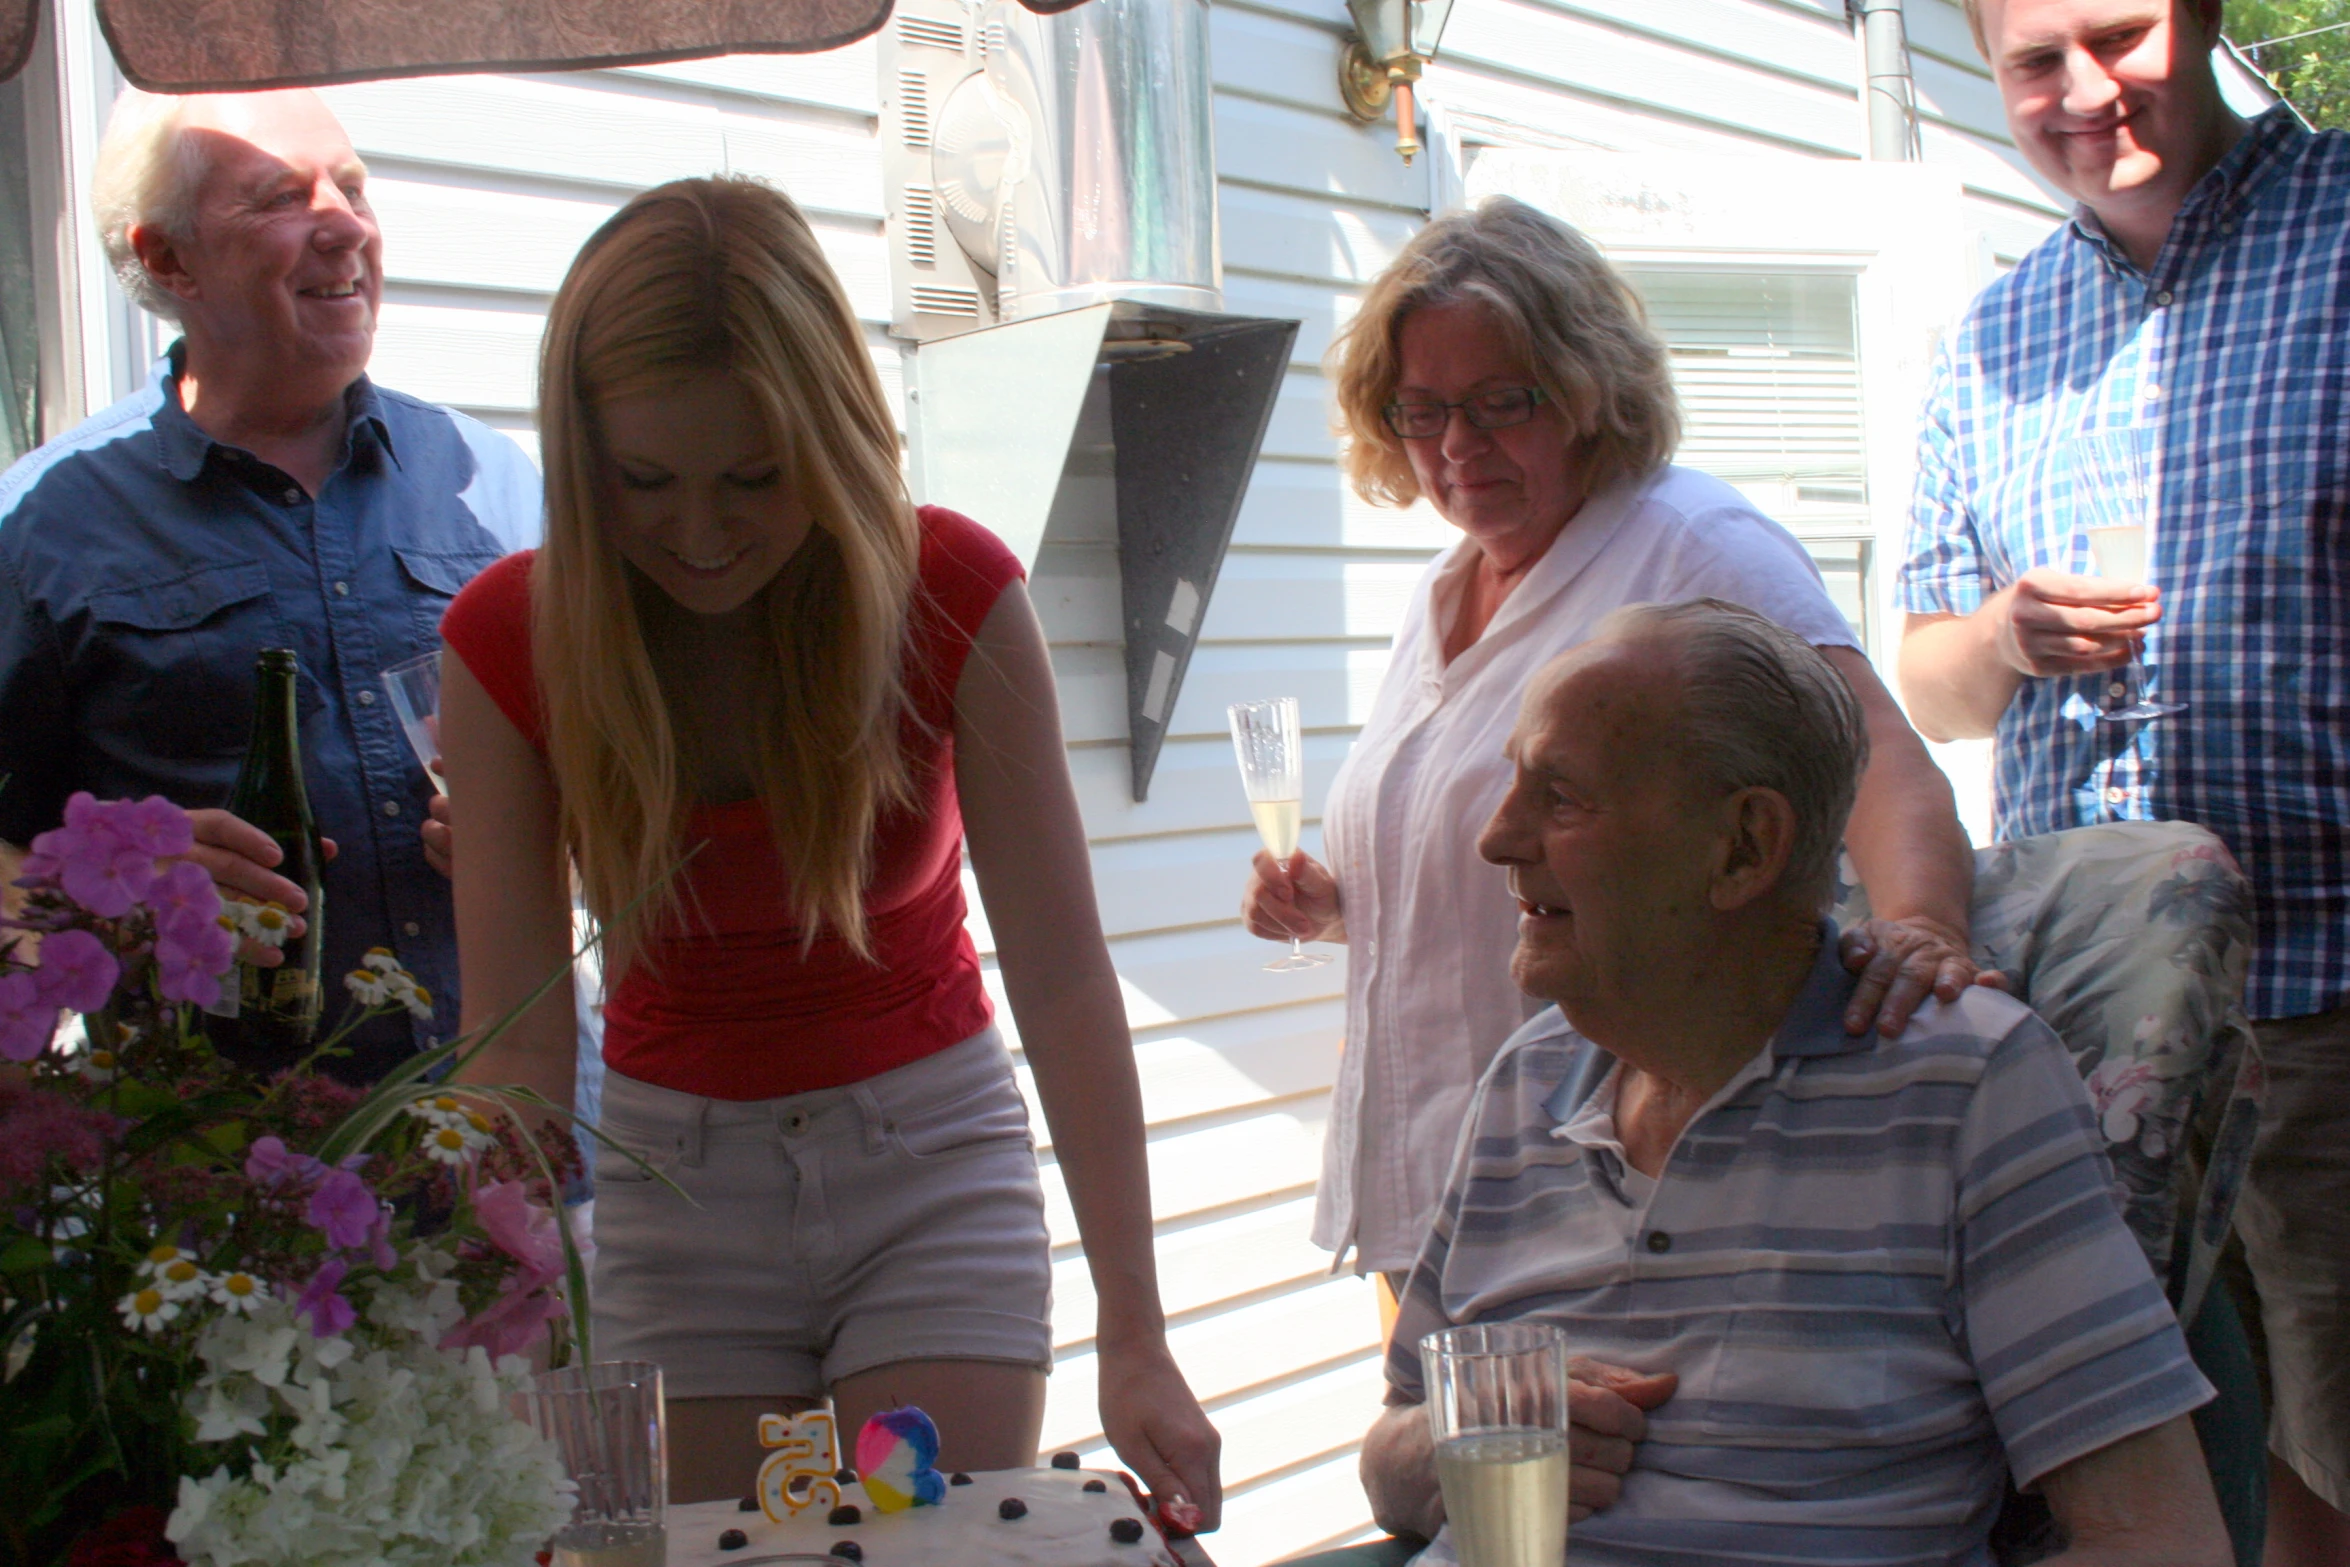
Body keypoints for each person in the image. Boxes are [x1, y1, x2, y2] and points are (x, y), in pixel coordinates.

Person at [438, 176, 1220, 1517]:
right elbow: (510, 1038)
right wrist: (469, 1277)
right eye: (645, 480)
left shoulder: (952, 593)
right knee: (726, 1546)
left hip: (925, 1162)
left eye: (755, 476)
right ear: (582, 458)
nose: (698, 531)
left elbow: (1066, 979)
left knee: (922, 1538)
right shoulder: (509, 637)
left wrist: (1137, 1334)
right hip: (672, 1193)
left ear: (838, 435)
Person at [1351, 599, 2227, 1567]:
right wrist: (1449, 1445)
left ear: (1742, 847)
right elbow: (1393, 1446)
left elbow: (2157, 1537)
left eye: (1559, 798)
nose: (1496, 838)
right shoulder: (1529, 1080)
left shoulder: (1960, 1083)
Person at [1241, 197, 1986, 1284]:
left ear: (1588, 389)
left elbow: (1872, 751)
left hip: (1610, 1186)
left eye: (1502, 401)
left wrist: (1920, 923)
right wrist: (1343, 904)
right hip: (1430, 1180)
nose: (1457, 445)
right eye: (1421, 409)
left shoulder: (1689, 547)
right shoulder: (1446, 592)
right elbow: (1495, 864)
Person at [1894, 1, 2350, 1555]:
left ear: (2207, 13)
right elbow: (1922, 686)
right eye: (2034, 61)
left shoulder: (2343, 231)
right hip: (2088, 1045)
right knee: (2159, 1481)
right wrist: (2002, 639)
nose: (2083, 91)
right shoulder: (1998, 330)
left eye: (2120, 31)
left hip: (2327, 992)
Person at [0, 88, 537, 1084]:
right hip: (227, 1177)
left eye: (354, 187)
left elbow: (631, 773)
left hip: (511, 1139)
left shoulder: (491, 482)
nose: (345, 222)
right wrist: (105, 892)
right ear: (166, 257)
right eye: (282, 196)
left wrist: (562, 835)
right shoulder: (42, 525)